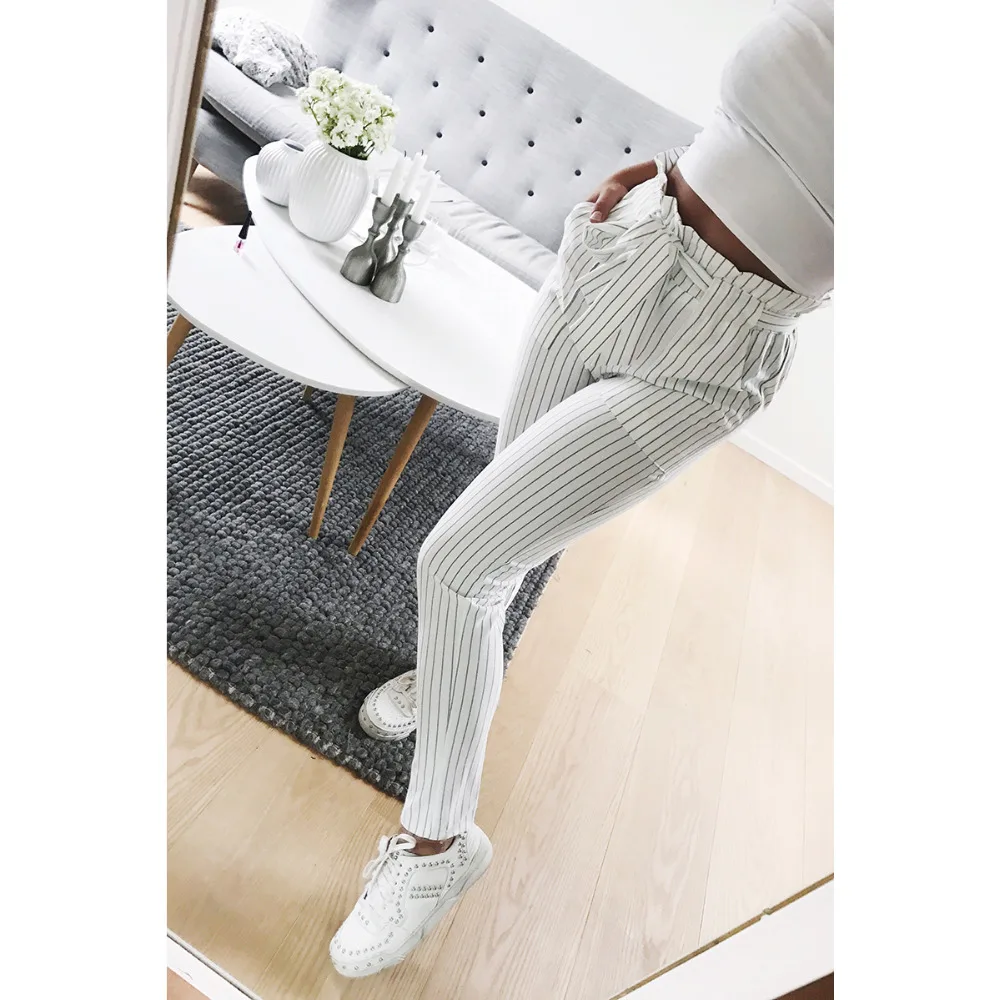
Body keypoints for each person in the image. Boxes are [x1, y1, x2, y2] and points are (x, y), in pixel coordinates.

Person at [330, 0, 833, 977]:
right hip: (626, 241)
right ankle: (448, 683)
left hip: (715, 350)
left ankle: (436, 847)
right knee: (500, 522)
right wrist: (651, 179)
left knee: (459, 561)